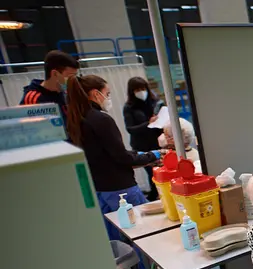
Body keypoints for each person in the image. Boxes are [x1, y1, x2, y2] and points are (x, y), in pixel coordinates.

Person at [65, 75, 161, 241]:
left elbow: (107, 155)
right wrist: (154, 155)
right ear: (96, 94)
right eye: (107, 93)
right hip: (122, 190)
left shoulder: (76, 121)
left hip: (100, 190)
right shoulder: (101, 119)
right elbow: (121, 157)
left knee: (119, 239)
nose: (109, 98)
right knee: (144, 237)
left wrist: (141, 155)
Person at [123, 77, 164, 200]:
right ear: (132, 92)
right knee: (153, 175)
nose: (141, 92)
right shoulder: (129, 107)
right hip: (142, 146)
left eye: (143, 88)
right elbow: (130, 129)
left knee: (162, 173)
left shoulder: (155, 102)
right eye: (137, 90)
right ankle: (153, 197)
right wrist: (148, 123)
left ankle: (156, 196)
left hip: (158, 143)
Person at [20, 50, 79, 117]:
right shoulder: (33, 100)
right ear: (55, 74)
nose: (74, 80)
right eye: (70, 76)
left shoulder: (64, 92)